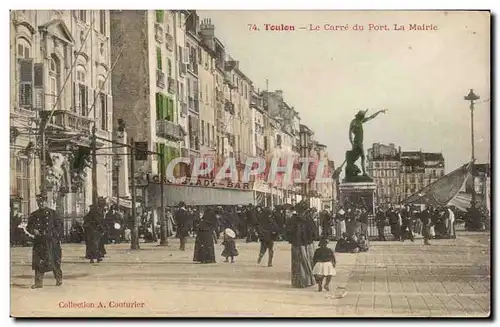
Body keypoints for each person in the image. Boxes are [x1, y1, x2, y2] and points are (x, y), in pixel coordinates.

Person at [26, 194, 63, 289]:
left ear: (47, 202)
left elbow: (59, 227)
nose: (41, 203)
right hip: (39, 242)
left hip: (51, 241)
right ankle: (38, 283)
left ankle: (58, 278)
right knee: (38, 262)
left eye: (43, 202)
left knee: (54, 261)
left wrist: (51, 233)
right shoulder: (34, 214)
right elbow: (29, 227)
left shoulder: (53, 213)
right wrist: (33, 230)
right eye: (39, 202)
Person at [285, 201, 317, 288]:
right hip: (307, 243)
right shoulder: (308, 218)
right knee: (308, 260)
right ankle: (309, 280)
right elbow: (314, 231)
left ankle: (300, 282)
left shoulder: (293, 219)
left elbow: (287, 232)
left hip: (298, 243)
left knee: (299, 261)